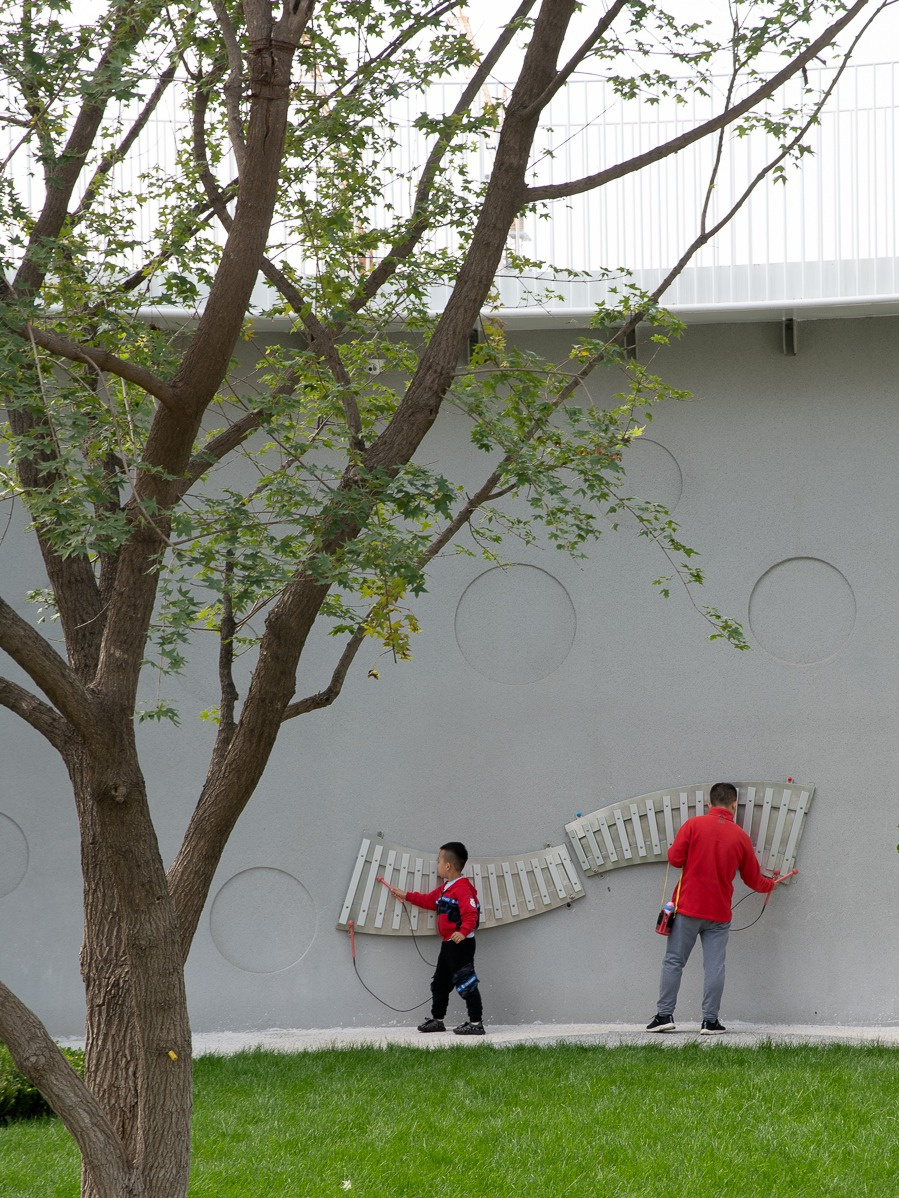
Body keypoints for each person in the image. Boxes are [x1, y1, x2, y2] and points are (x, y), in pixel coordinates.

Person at [646, 781, 793, 1035]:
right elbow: (753, 880)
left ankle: (664, 1016)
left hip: (688, 909)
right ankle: (710, 1022)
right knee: (714, 967)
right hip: (719, 914)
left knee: (673, 962)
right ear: (734, 805)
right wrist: (771, 885)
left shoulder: (693, 825)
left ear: (709, 803)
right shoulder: (741, 837)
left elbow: (675, 859)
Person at [385, 841, 484, 1036]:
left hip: (461, 944)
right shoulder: (446, 888)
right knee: (440, 982)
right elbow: (429, 900)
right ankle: (438, 1020)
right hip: (448, 945)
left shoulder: (463, 889)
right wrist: (405, 895)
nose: (436, 864)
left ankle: (476, 1023)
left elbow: (472, 913)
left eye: (438, 860)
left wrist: (463, 932)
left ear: (448, 865)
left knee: (466, 982)